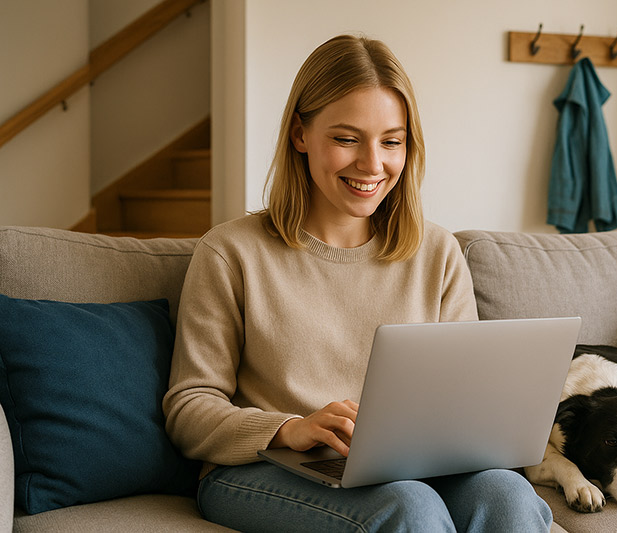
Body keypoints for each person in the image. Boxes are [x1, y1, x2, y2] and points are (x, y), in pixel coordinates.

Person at [163, 34, 553, 532]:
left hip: (406, 470)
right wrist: (290, 427)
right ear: (300, 135)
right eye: (347, 139)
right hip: (264, 468)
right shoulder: (231, 252)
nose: (373, 164)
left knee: (506, 495)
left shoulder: (437, 254)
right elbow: (188, 408)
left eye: (392, 141)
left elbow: (462, 409)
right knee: (409, 506)